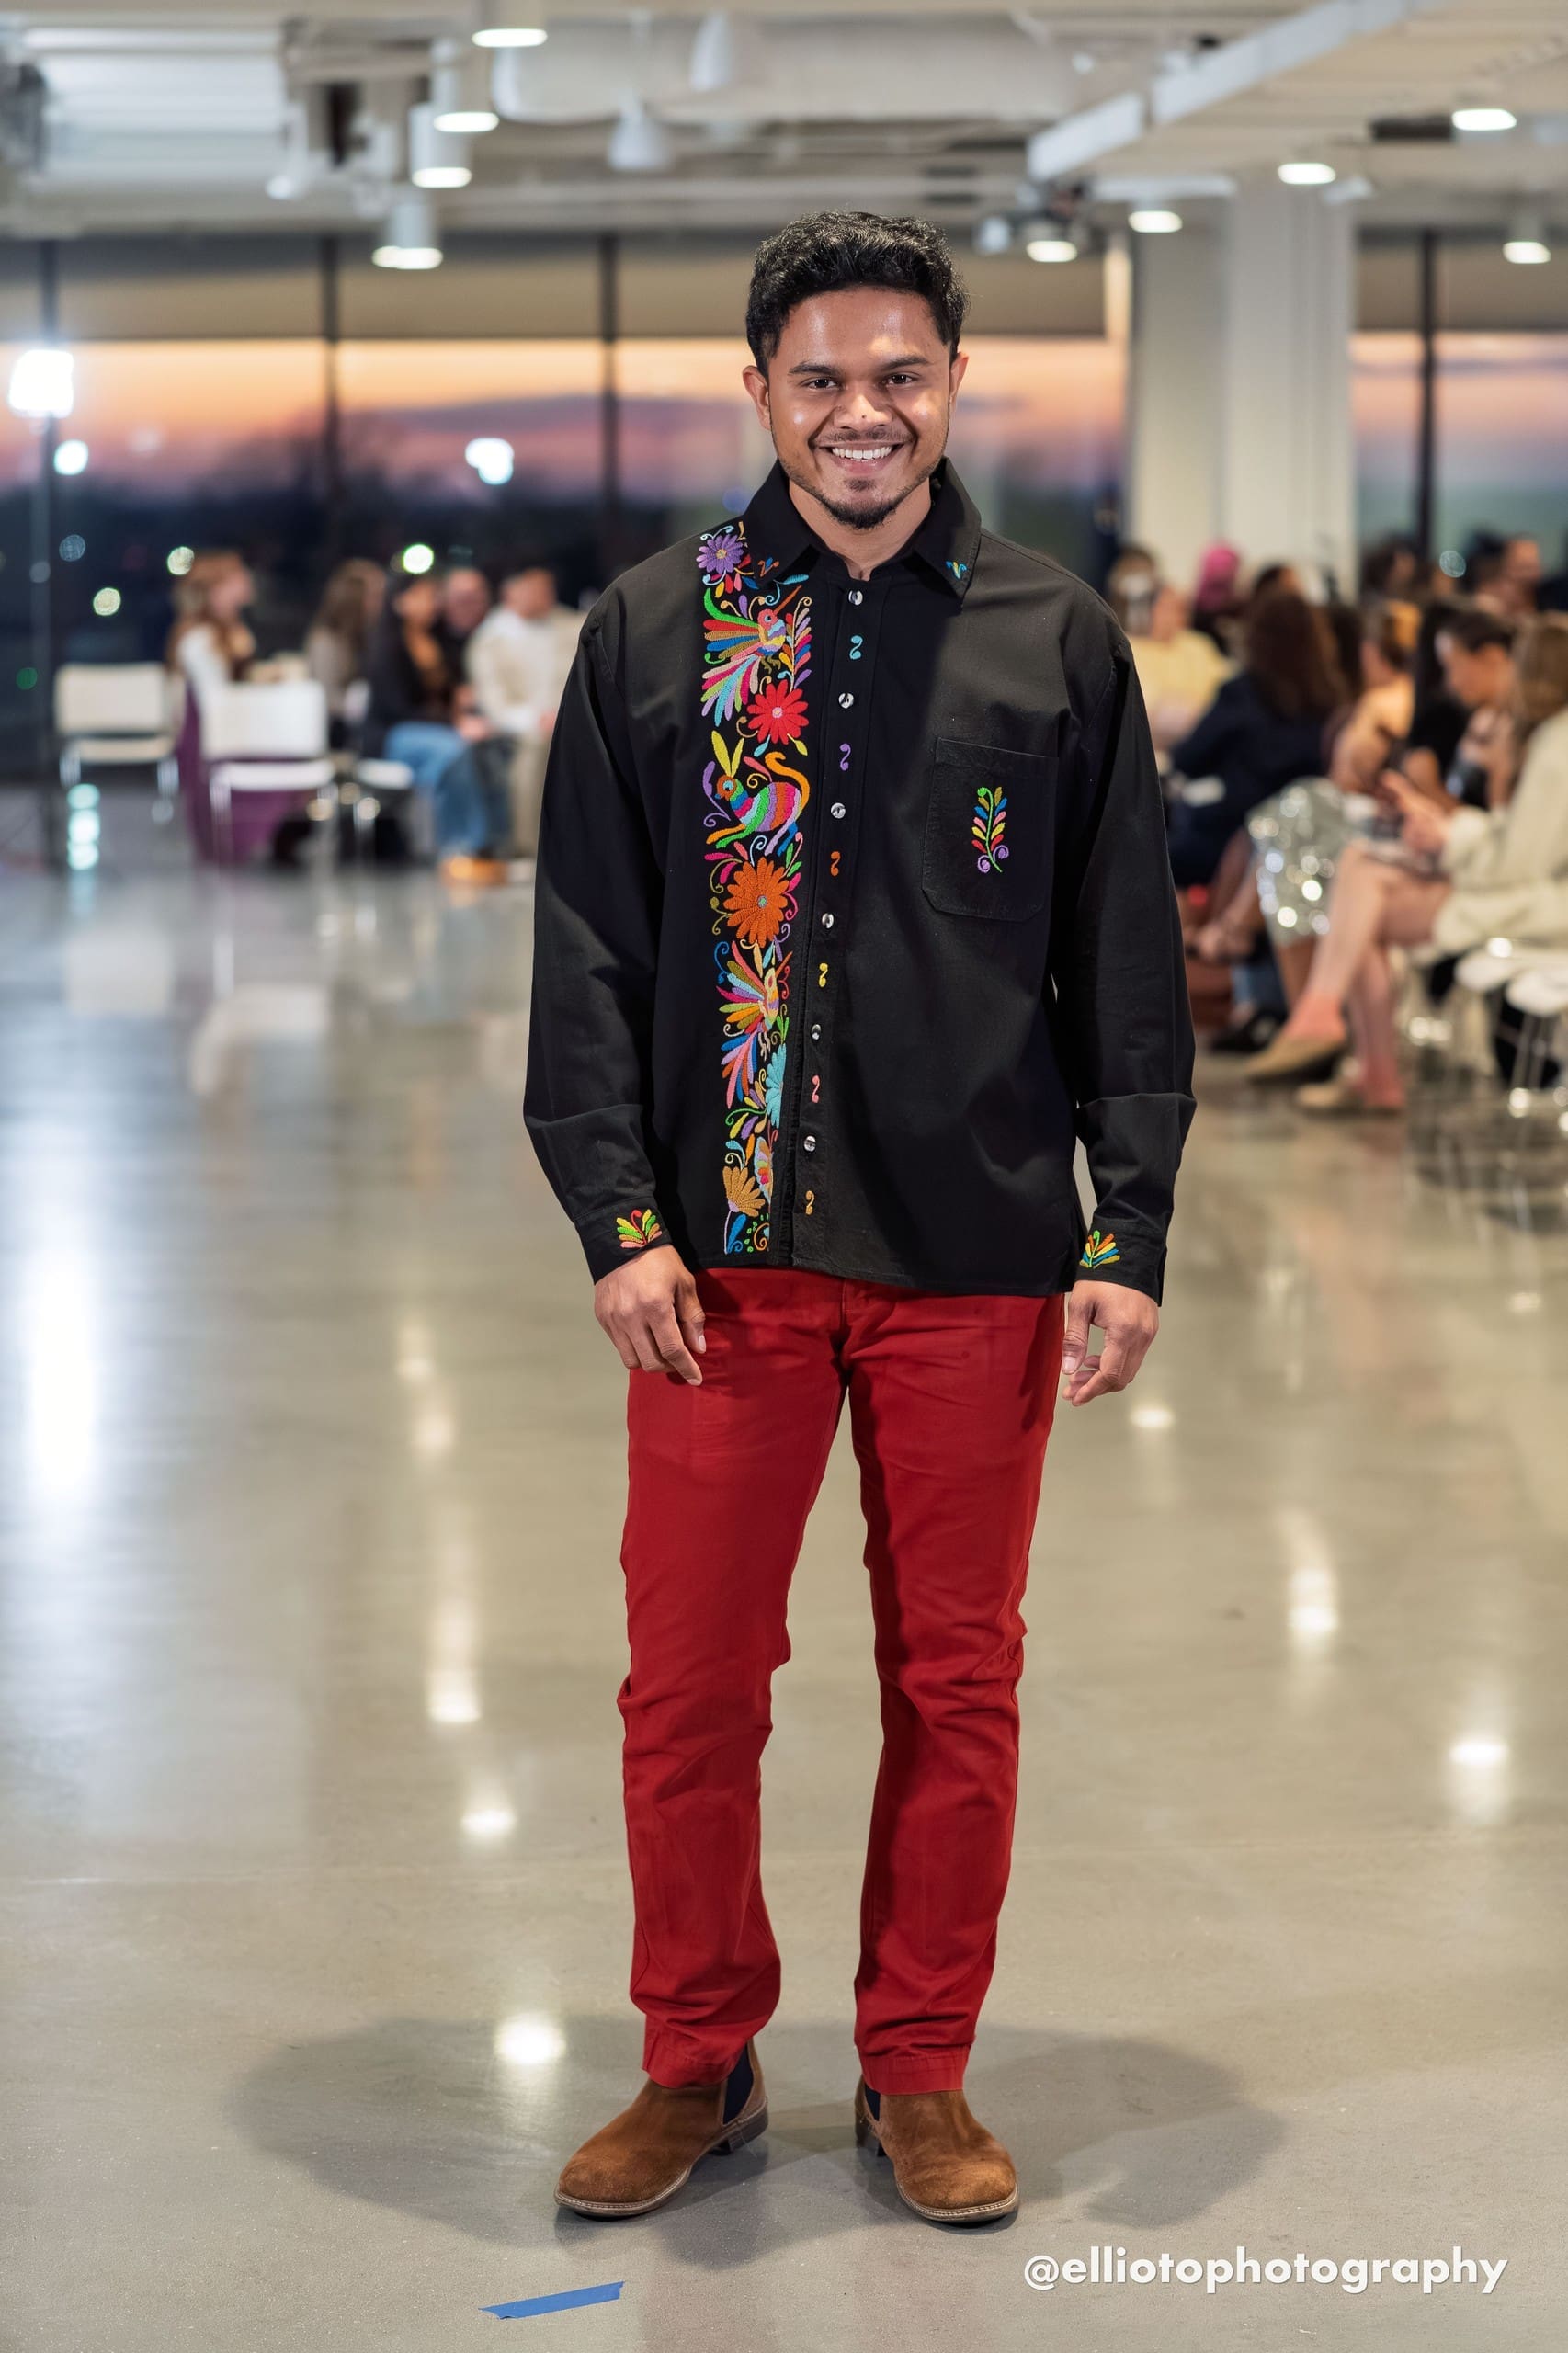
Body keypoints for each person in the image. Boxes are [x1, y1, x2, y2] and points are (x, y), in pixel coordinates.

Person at [525, 210, 1194, 2228]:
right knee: (689, 1680)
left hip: (980, 1252)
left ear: (952, 384)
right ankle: (695, 2051)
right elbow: (587, 949)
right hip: (719, 1265)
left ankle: (918, 2064)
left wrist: (1127, 1227)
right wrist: (613, 1213)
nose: (860, 412)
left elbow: (1124, 964)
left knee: (958, 1680)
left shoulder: (1051, 634)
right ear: (760, 394)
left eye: (897, 373)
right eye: (818, 377)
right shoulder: (667, 627)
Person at [1243, 615, 1568, 1108]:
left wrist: (1444, 837)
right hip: (1508, 883)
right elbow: (1509, 839)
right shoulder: (1545, 739)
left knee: (1360, 894)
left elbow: (1520, 864)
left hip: (1533, 902)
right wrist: (1436, 828)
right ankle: (1357, 1054)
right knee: (1357, 871)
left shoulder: (1555, 745)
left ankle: (1339, 1035)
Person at [1165, 588, 1344, 889]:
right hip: (1306, 839)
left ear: (1256, 637)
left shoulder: (1241, 694)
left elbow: (1188, 758)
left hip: (1235, 832)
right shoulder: (1332, 700)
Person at [363, 571, 513, 885]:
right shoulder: (386, 647)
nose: (432, 603)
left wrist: (463, 704)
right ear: (401, 602)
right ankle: (460, 847)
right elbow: (397, 708)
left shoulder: (436, 641)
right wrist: (456, 724)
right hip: (393, 734)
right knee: (453, 751)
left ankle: (495, 844)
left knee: (492, 746)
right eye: (424, 596)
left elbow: (448, 695)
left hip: (438, 728)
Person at [166, 550, 313, 867]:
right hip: (214, 737)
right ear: (217, 588)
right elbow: (215, 703)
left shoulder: (232, 630)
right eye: (237, 576)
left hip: (238, 726)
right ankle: (273, 838)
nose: (247, 581)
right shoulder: (200, 638)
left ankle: (280, 838)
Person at [464, 566, 583, 858]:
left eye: (548, 588)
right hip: (522, 728)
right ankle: (532, 848)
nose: (545, 596)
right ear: (511, 592)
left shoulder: (573, 625)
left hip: (572, 717)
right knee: (535, 750)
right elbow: (494, 702)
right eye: (535, 589)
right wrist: (535, 719)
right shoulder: (490, 640)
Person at [1111, 568, 1232, 757]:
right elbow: (1147, 711)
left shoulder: (1198, 644)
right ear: (1145, 610)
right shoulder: (1128, 647)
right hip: (1151, 753)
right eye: (1167, 608)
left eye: (1180, 609)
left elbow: (1226, 689)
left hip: (1208, 745)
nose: (1177, 616)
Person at [305, 558, 386, 734]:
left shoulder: (366, 637)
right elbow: (327, 698)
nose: (381, 604)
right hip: (333, 731)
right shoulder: (326, 640)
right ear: (354, 599)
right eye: (375, 596)